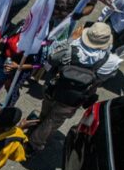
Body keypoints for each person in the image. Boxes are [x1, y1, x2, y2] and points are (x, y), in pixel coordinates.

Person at [28, 22, 114, 152]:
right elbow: (101, 80)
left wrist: (71, 40)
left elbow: (51, 60)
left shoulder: (70, 48)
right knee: (54, 120)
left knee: (46, 110)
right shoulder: (110, 61)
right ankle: (36, 142)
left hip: (54, 88)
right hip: (74, 99)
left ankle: (36, 132)